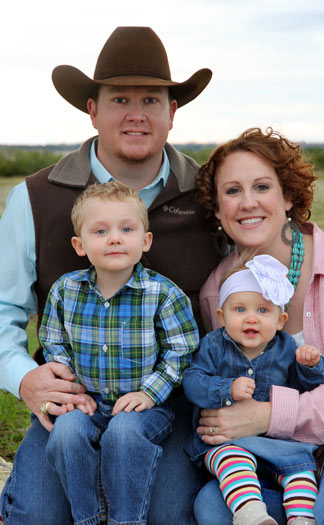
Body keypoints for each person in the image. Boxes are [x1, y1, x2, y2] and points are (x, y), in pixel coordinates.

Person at [0, 27, 221, 525]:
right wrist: (25, 379)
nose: (137, 113)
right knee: (35, 516)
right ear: (93, 109)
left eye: (152, 98)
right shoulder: (34, 199)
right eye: (119, 98)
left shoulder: (211, 196)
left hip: (172, 402)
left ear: (173, 111)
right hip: (71, 400)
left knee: (168, 515)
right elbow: (3, 310)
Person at [191, 127, 324, 524]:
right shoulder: (218, 291)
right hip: (273, 458)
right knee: (212, 507)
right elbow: (219, 375)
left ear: (289, 196)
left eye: (262, 186)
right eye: (232, 191)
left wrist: (268, 414)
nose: (247, 203)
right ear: (216, 208)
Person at [40, 181, 199, 524]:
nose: (114, 238)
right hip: (87, 401)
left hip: (143, 406)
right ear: (80, 245)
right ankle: (88, 517)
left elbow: (182, 349)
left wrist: (149, 392)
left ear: (145, 240)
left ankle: (126, 520)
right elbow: (55, 342)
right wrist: (71, 392)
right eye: (101, 231)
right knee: (67, 433)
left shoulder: (162, 294)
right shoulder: (66, 291)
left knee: (125, 434)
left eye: (126, 229)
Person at [183, 254, 324, 525]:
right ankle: (251, 514)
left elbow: (303, 391)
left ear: (281, 320)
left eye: (263, 310)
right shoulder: (214, 346)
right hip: (228, 442)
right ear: (221, 317)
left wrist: (310, 367)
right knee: (232, 461)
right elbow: (192, 381)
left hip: (276, 442)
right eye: (240, 310)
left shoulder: (286, 349)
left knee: (301, 469)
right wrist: (226, 388)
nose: (251, 318)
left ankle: (302, 518)